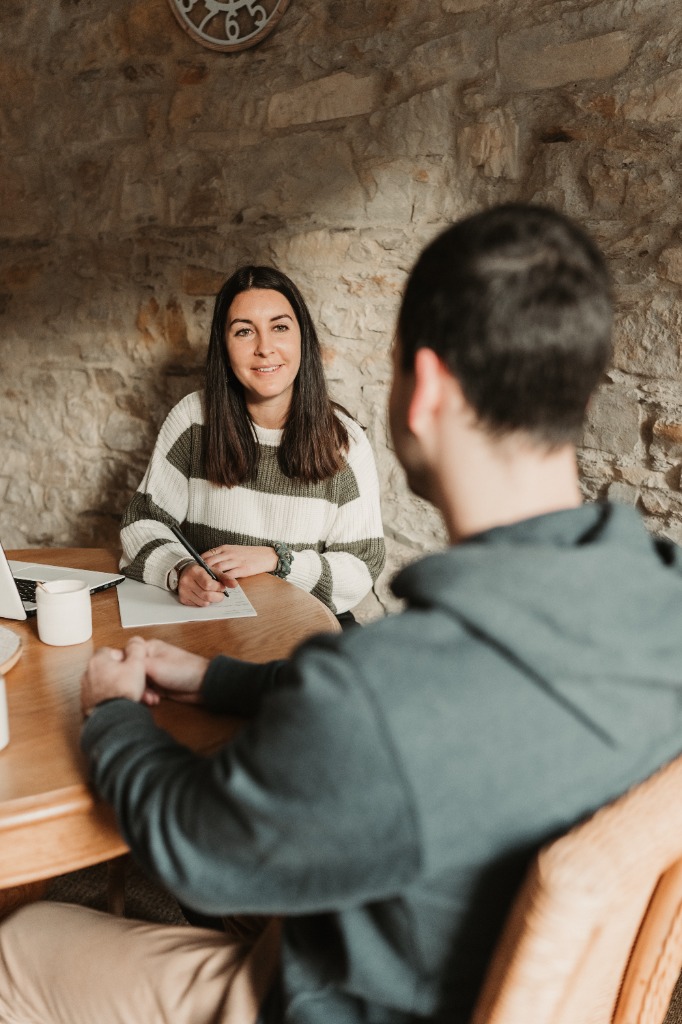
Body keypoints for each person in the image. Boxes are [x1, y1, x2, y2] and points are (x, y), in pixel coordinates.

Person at [3, 203, 682, 1024]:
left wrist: (111, 713)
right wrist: (220, 679)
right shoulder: (657, 603)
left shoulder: (376, 695)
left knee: (22, 942)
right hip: (446, 961)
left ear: (421, 388)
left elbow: (194, 846)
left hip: (334, 1000)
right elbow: (406, 701)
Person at [119, 265, 386, 626]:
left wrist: (277, 560)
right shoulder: (193, 420)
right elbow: (142, 522)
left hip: (300, 626)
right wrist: (180, 569)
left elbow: (360, 567)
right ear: (224, 347)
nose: (264, 348)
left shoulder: (345, 442)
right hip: (213, 621)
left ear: (302, 338)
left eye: (279, 327)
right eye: (244, 331)